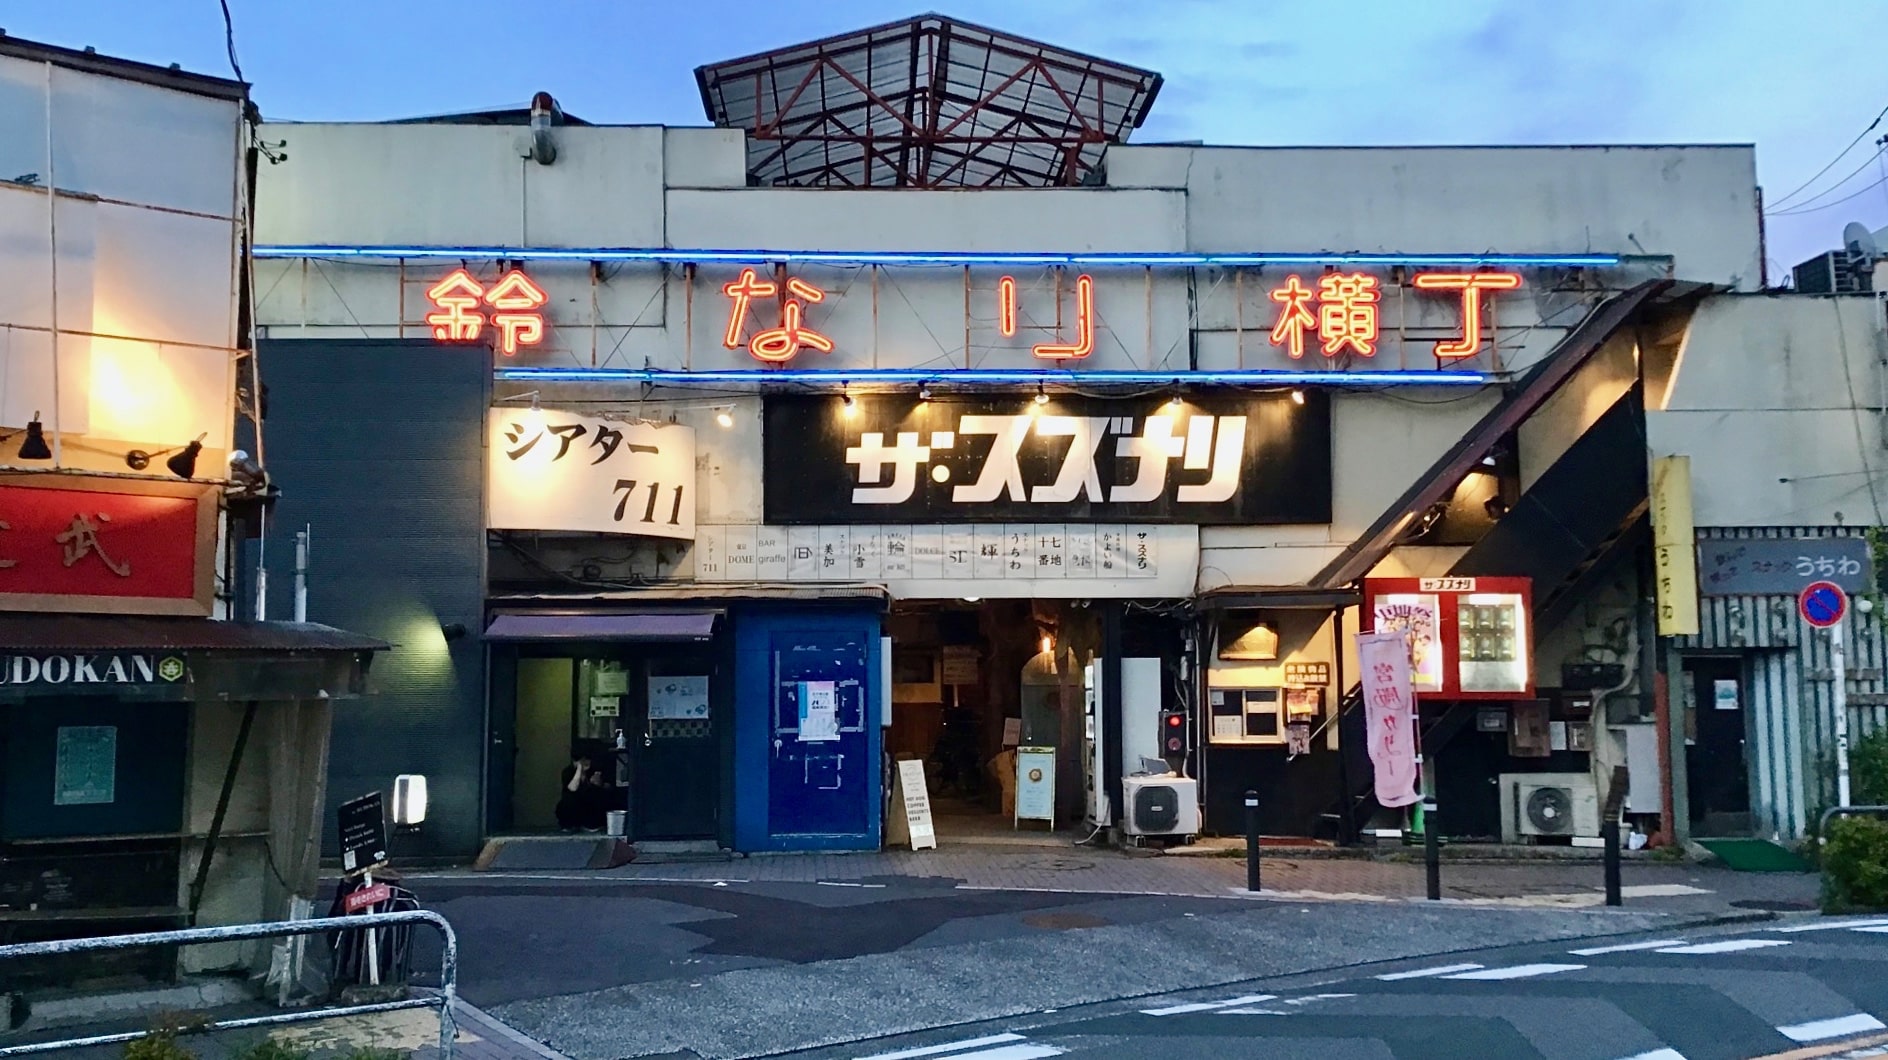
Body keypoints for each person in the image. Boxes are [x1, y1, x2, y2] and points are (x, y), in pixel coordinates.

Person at [556, 745, 613, 831]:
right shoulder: (568, 772)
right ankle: (570, 825)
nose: (585, 762)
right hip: (573, 806)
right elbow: (572, 788)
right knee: (568, 799)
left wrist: (598, 784)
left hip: (589, 808)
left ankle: (592, 824)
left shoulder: (594, 771)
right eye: (581, 760)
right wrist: (579, 770)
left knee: (598, 795)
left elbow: (608, 786)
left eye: (587, 759)